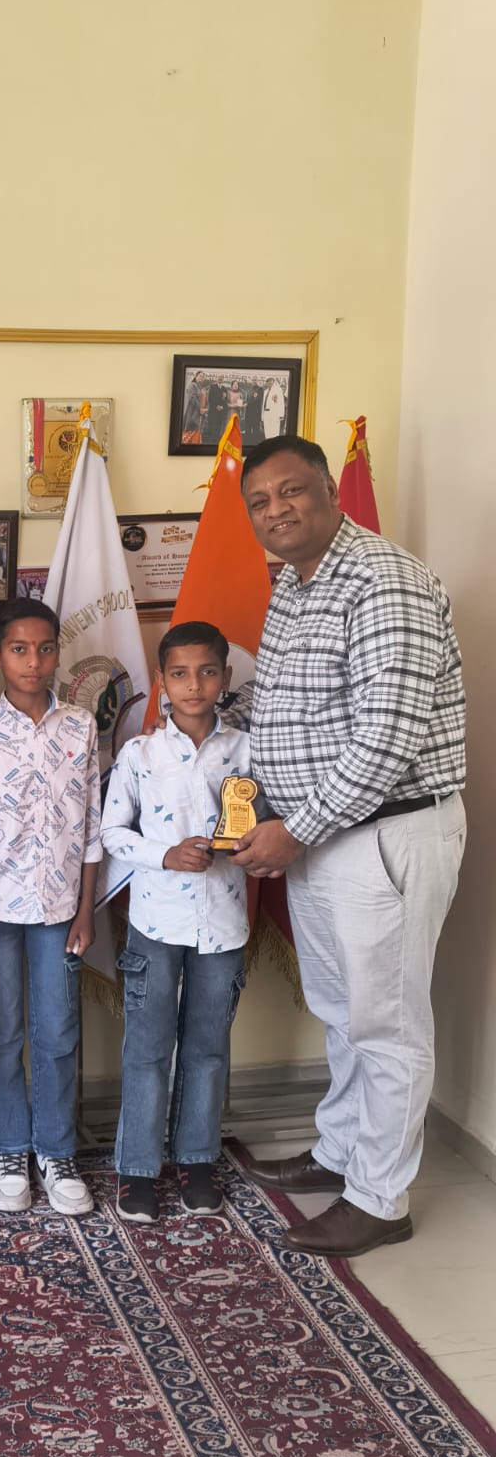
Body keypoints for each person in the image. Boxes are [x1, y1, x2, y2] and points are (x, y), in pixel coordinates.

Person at [230, 436, 466, 1257]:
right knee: (342, 1010)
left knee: (386, 1023)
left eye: (292, 491)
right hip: (322, 838)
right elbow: (284, 707)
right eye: (260, 502)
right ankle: (340, 1152)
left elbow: (386, 739)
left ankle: (380, 1197)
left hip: (381, 832)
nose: (276, 511)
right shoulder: (294, 585)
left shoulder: (382, 581)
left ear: (331, 490)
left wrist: (294, 829)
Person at [100, 621, 251, 1225]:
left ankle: (197, 1161)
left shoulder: (246, 751)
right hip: (156, 924)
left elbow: (265, 821)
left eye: (207, 672)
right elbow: (112, 833)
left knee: (208, 1049)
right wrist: (165, 854)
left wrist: (245, 844)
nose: (195, 685)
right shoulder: (140, 754)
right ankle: (137, 1169)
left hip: (224, 923)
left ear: (225, 677)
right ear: (162, 681)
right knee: (147, 1049)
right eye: (181, 674)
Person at [0, 599, 101, 1216]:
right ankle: (11, 1150)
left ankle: (56, 1150)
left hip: (60, 908)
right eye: (19, 649)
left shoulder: (80, 726)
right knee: (2, 1032)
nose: (34, 661)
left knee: (58, 1031)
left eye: (45, 649)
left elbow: (92, 823)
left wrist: (87, 908)